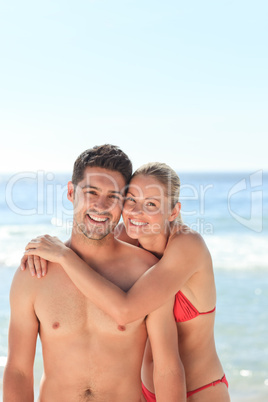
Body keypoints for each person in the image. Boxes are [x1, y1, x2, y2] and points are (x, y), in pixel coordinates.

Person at [20, 161, 230, 402]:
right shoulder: (128, 235)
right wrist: (40, 248)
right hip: (145, 392)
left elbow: (126, 310)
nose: (136, 212)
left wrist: (63, 256)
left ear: (173, 211)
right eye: (131, 200)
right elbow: (88, 242)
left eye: (151, 204)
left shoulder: (187, 245)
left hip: (199, 390)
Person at [3, 145, 185, 402]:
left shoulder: (145, 271)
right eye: (91, 192)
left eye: (113, 196)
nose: (101, 206)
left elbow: (167, 367)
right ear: (70, 192)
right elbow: (19, 371)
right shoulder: (34, 273)